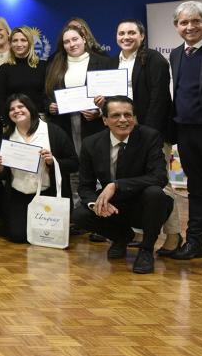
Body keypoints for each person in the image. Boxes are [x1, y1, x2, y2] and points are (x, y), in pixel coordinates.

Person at [73, 97, 173, 274]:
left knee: (155, 193)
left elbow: (159, 177)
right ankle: (121, 237)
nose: (123, 120)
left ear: (134, 118)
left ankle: (146, 250)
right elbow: (85, 186)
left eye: (128, 114)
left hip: (143, 203)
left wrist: (116, 185)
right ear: (105, 120)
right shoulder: (91, 143)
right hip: (113, 206)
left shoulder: (150, 137)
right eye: (116, 115)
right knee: (80, 214)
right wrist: (95, 204)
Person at [106, 19, 180, 255]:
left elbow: (159, 101)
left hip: (151, 133)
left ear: (142, 36)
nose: (126, 37)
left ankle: (174, 234)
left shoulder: (154, 59)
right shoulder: (113, 63)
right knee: (135, 182)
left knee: (161, 184)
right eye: (121, 33)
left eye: (131, 33)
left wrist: (149, 135)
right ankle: (139, 231)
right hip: (125, 132)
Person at [167, 1, 202, 267]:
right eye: (184, 22)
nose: (190, 27)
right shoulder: (176, 54)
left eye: (195, 21)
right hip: (186, 132)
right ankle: (195, 243)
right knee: (196, 190)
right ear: (177, 27)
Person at [0, 94, 78, 243]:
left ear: (30, 108)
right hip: (18, 194)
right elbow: (4, 174)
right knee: (18, 236)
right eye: (12, 109)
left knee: (46, 237)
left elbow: (74, 163)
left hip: (47, 193)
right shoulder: (7, 137)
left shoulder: (53, 132)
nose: (16, 111)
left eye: (20, 106)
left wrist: (52, 161)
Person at [45, 23, 111, 161]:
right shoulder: (54, 65)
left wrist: (99, 111)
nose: (72, 44)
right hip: (64, 125)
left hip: (94, 125)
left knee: (95, 166)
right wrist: (49, 106)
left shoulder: (103, 62)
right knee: (72, 167)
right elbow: (46, 94)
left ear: (84, 39)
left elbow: (113, 96)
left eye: (75, 39)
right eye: (67, 42)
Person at [0, 27, 47, 132]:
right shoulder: (4, 69)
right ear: (10, 43)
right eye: (15, 40)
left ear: (30, 42)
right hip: (14, 120)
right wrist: (6, 122)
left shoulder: (43, 66)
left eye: (23, 40)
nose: (19, 44)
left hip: (40, 120)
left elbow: (47, 94)